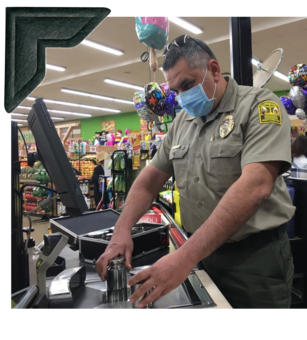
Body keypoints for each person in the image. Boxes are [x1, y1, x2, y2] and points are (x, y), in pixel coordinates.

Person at [95, 34, 295, 311]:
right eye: (175, 90)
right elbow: (149, 181)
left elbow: (256, 185)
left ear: (213, 69)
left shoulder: (260, 106)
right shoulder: (182, 122)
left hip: (254, 261)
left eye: (187, 84)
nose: (182, 97)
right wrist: (121, 231)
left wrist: (183, 258)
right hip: (202, 254)